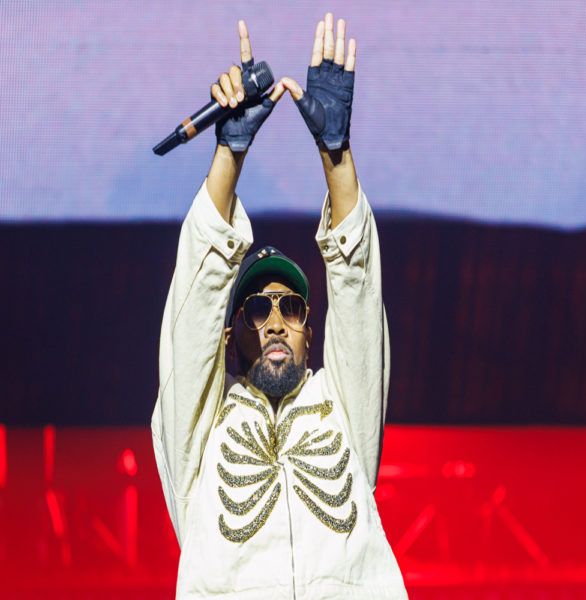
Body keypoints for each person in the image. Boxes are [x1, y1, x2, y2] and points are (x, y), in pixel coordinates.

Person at [152, 13, 408, 600]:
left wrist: (336, 154)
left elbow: (357, 289)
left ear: (309, 335)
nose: (274, 322)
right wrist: (229, 153)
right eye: (255, 310)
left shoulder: (341, 409)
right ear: (229, 339)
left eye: (291, 309)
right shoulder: (201, 432)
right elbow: (193, 311)